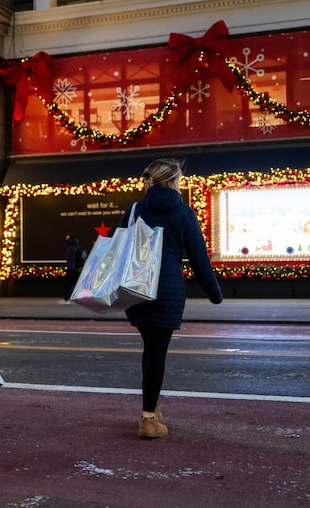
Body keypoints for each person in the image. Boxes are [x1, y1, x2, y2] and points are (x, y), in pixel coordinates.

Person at [119, 158, 223, 439]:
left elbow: (119, 248)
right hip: (167, 293)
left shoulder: (135, 210)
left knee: (150, 350)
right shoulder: (183, 213)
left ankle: (152, 407)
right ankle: (148, 419)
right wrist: (215, 294)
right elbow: (199, 259)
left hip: (136, 290)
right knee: (156, 354)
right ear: (174, 181)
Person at [59, 233, 82, 304]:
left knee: (67, 285)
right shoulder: (77, 247)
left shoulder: (72, 248)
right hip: (77, 269)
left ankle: (66, 299)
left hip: (72, 269)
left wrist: (71, 269)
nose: (66, 240)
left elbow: (72, 259)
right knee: (76, 285)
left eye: (67, 238)